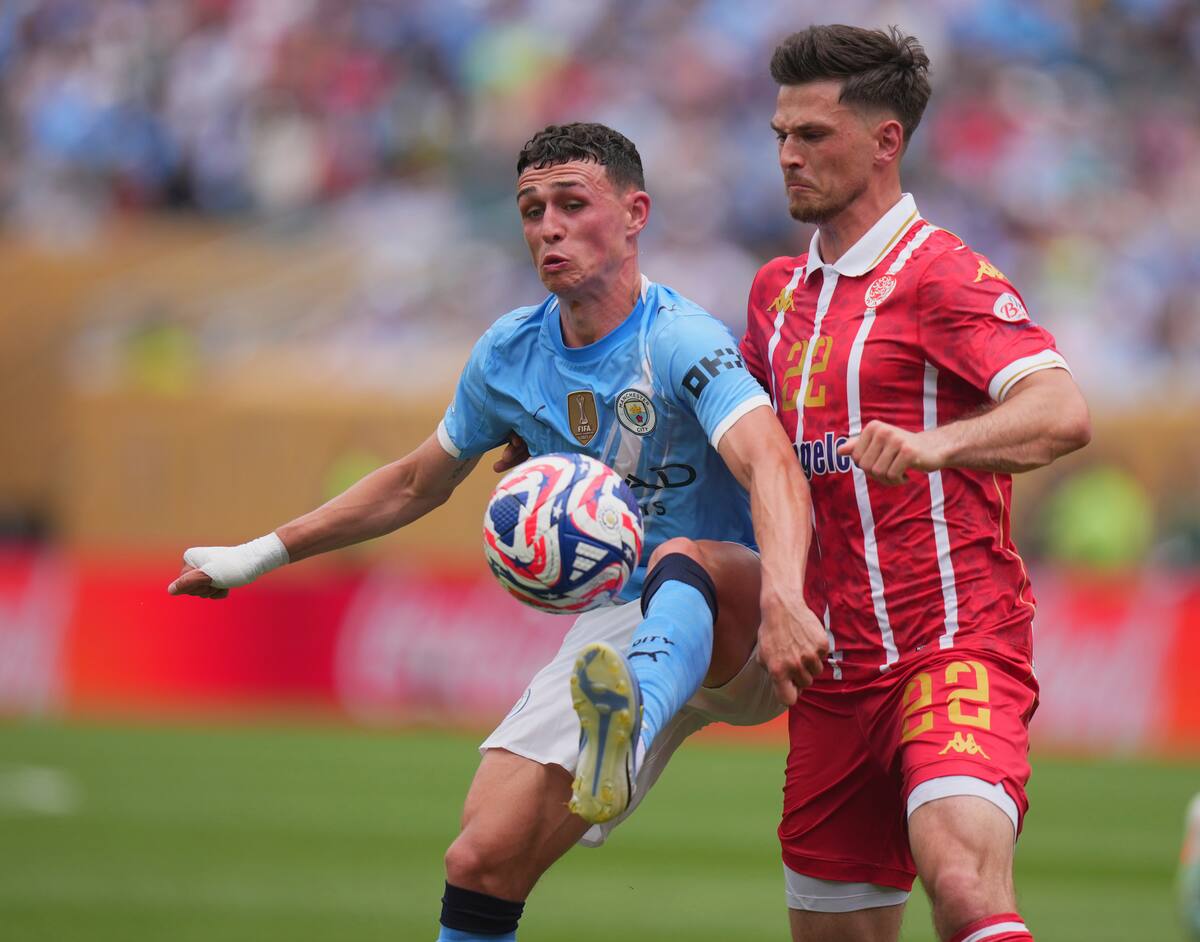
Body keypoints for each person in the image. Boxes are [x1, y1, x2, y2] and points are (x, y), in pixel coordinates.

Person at [168, 122, 827, 942]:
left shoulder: (681, 339)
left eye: (572, 204)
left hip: (743, 613)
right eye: (531, 209)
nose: (549, 227)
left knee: (679, 556)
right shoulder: (510, 355)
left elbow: (770, 463)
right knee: (481, 858)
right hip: (620, 627)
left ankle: (625, 731)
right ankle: (615, 729)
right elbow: (415, 481)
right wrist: (261, 553)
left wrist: (788, 597)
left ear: (635, 214)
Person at [739, 25, 1092, 942]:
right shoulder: (776, 295)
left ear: (885, 141)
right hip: (831, 675)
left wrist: (938, 446)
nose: (788, 154)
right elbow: (742, 456)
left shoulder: (942, 275)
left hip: (952, 645)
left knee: (963, 884)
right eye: (781, 134)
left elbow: (1061, 410)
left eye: (813, 134)